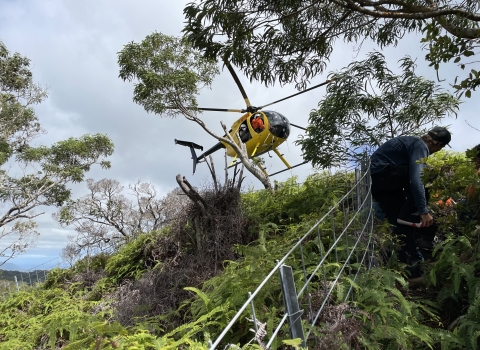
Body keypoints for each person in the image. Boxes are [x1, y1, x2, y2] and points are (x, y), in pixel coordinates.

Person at [370, 126, 451, 277]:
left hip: (379, 183)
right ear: (439, 146)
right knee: (426, 174)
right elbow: (416, 179)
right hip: (383, 176)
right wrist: (423, 210)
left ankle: (411, 271)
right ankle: (413, 218)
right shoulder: (420, 146)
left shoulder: (412, 142)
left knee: (400, 226)